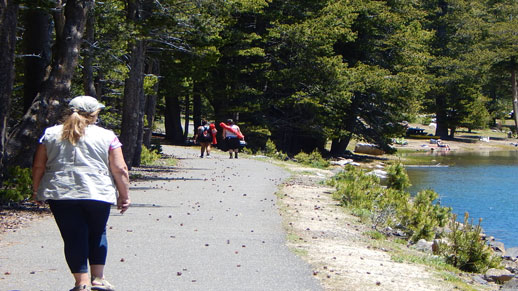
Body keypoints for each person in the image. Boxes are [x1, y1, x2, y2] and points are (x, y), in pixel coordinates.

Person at [32, 96, 130, 291]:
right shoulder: (108, 136)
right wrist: (124, 194)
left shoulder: (50, 134)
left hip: (61, 191)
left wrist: (37, 190)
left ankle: (81, 283)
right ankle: (98, 279)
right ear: (94, 114)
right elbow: (120, 169)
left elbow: (38, 165)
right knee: (97, 232)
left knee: (73, 235)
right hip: (97, 191)